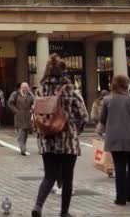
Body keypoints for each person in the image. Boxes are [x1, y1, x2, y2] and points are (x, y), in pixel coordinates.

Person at [32, 54, 88, 217]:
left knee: (49, 176)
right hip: (67, 141)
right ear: (63, 71)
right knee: (67, 178)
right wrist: (76, 130)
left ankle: (38, 205)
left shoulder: (40, 89)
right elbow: (83, 115)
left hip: (47, 139)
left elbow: (34, 114)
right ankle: (64, 212)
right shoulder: (69, 89)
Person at [101, 75, 130, 206]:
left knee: (119, 169)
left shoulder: (107, 100)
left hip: (115, 140)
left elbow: (103, 119)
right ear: (126, 85)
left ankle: (120, 198)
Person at [7, 82, 35, 156]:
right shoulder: (15, 94)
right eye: (24, 88)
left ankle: (24, 147)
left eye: (27, 88)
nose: (25, 89)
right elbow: (10, 103)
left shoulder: (30, 95)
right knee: (21, 133)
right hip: (19, 116)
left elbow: (34, 103)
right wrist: (15, 111)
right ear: (21, 88)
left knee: (25, 134)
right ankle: (22, 149)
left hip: (27, 116)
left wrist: (32, 109)